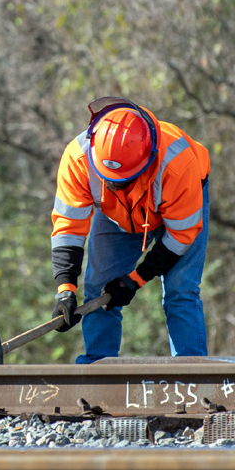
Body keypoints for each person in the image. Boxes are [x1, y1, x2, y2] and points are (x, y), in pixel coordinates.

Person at [50, 96, 211, 362]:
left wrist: (134, 281)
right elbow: (69, 227)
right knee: (98, 289)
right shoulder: (77, 158)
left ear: (147, 162)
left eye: (121, 181)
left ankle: (190, 373)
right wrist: (65, 290)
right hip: (117, 216)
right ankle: (100, 369)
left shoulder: (178, 165)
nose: (113, 186)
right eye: (107, 179)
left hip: (178, 211)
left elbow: (180, 237)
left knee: (180, 290)